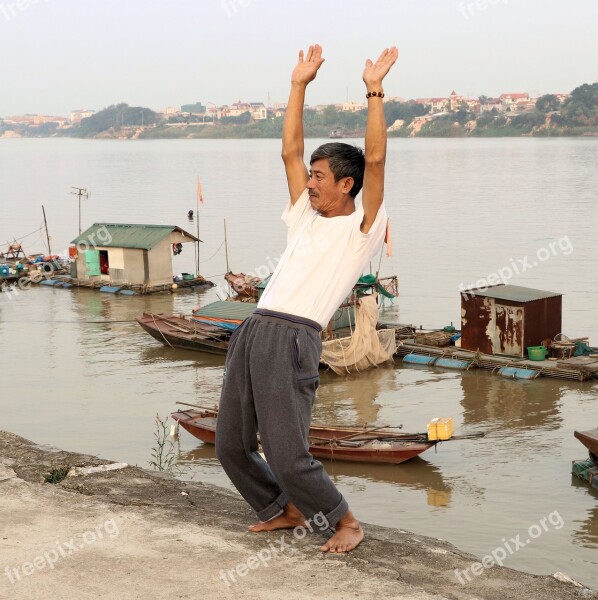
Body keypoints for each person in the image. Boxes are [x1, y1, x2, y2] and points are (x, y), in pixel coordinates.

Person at [215, 44, 398, 553]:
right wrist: (298, 85)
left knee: (287, 451)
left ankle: (345, 521)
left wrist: (374, 89)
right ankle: (281, 508)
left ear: (347, 184)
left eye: (320, 177)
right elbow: (289, 152)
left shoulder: (363, 227)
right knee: (230, 443)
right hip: (255, 328)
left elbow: (377, 157)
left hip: (294, 336)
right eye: (311, 176)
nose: (309, 183)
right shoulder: (305, 217)